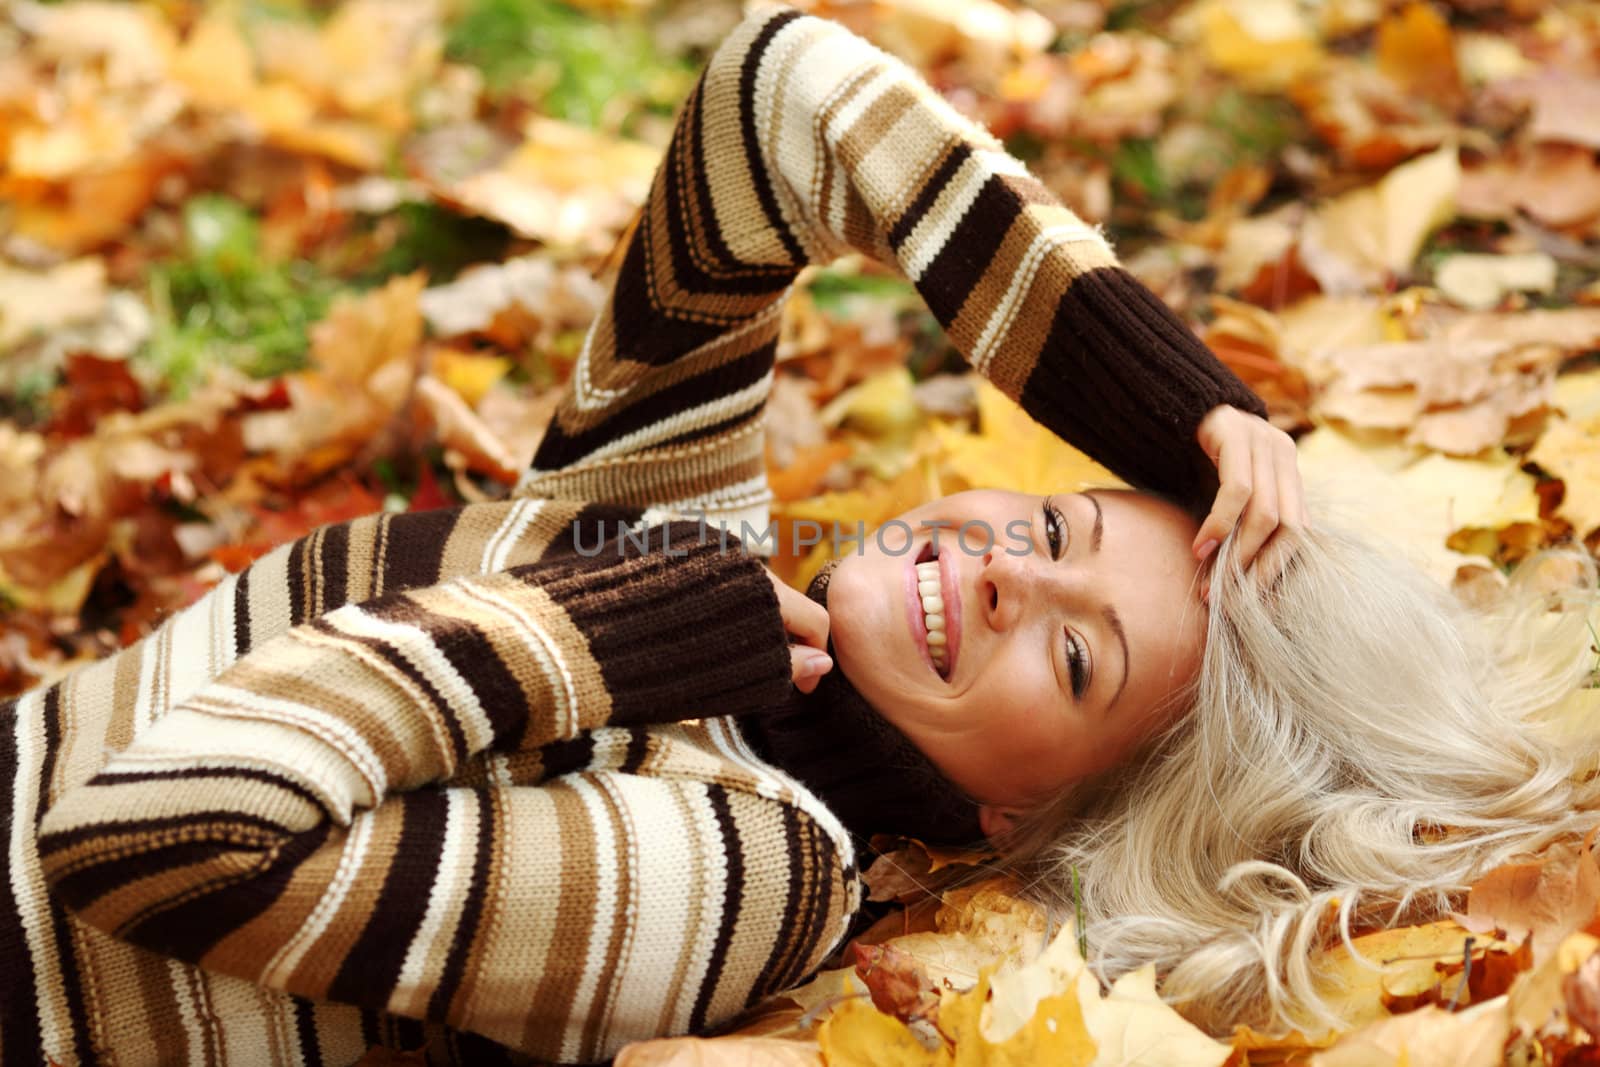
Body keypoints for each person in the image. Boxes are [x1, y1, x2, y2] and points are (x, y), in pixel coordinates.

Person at [2, 7, 1592, 1065]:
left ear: (1025, 817)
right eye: (1055, 518)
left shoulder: (745, 869)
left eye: (1076, 649)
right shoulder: (699, 572)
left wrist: (586, 639)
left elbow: (139, 841)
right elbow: (784, 96)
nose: (1005, 567)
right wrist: (1175, 403)